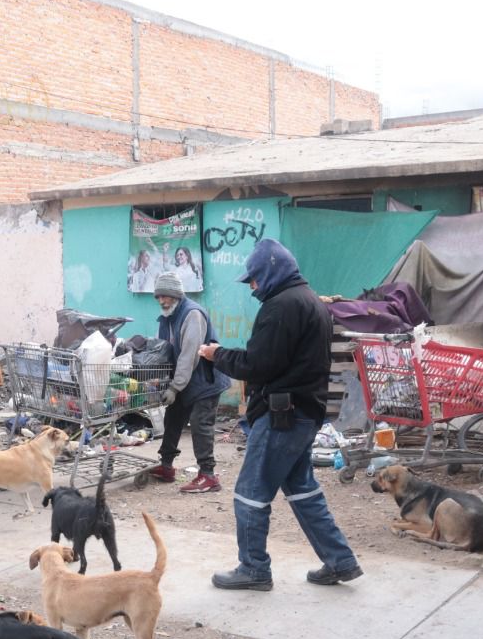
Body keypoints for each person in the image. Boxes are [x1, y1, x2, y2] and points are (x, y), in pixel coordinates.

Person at [198, 239, 363, 591]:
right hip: (306, 413)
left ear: (271, 272)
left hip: (281, 417)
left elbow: (258, 364)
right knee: (303, 490)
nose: (253, 287)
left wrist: (217, 355)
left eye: (254, 279)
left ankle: (253, 568)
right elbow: (279, 360)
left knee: (250, 492)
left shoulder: (281, 306)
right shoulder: (311, 302)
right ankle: (341, 560)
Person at [147, 271, 228, 494]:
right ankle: (166, 466)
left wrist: (175, 387)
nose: (161, 300)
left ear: (177, 295)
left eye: (165, 295)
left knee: (200, 423)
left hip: (205, 379)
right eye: (158, 296)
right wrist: (159, 380)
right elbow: (163, 352)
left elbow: (189, 355)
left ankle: (208, 475)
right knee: (172, 418)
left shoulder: (192, 314)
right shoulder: (167, 318)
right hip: (185, 380)